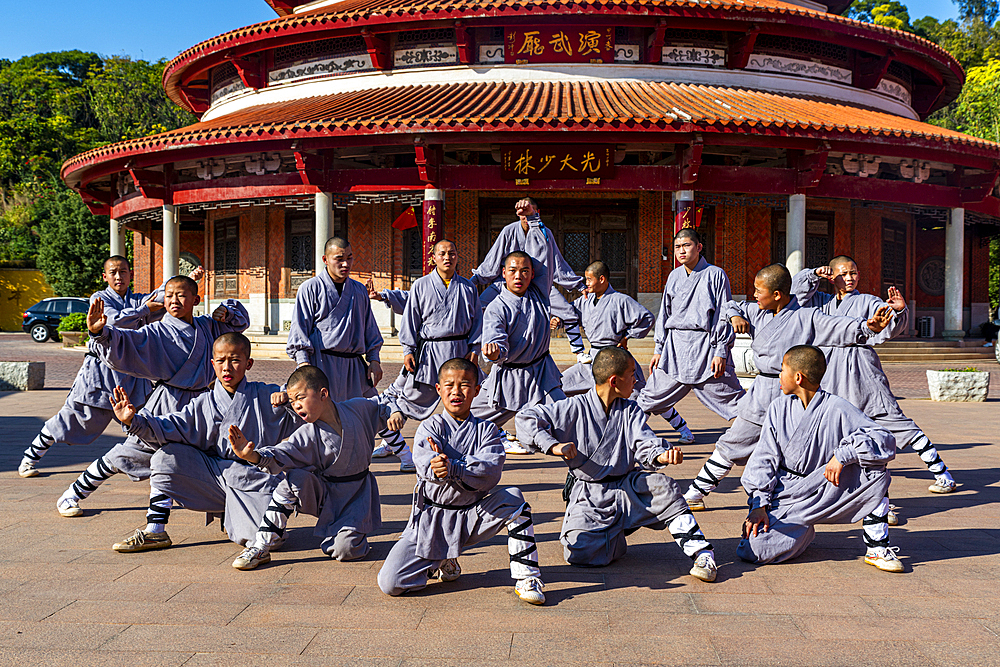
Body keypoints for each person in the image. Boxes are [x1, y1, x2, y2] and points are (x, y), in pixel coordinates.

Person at [681, 264, 895, 511]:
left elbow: (838, 326)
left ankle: (877, 502)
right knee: (733, 442)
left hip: (798, 395)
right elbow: (731, 304)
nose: (754, 295)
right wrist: (735, 316)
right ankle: (696, 492)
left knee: (822, 449)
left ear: (777, 295)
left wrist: (868, 327)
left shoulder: (807, 316)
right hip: (762, 394)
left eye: (759, 291)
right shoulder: (756, 311)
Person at [60, 275, 248, 553]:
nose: (174, 300)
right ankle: (74, 493)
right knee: (129, 455)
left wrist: (228, 312)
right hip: (167, 404)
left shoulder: (209, 326)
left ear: (195, 300)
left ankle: (161, 527)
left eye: (182, 295)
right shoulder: (157, 331)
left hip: (205, 406)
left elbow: (239, 323)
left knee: (193, 461)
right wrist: (101, 334)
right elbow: (129, 341)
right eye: (169, 294)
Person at [516, 347, 718, 582]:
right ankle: (614, 534)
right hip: (589, 494)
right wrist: (552, 445)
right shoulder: (573, 407)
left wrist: (660, 455)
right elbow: (525, 418)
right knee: (579, 554)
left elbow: (644, 441)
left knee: (664, 487)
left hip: (627, 488)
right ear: (614, 380)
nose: (636, 379)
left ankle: (702, 552)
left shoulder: (631, 410)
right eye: (632, 374)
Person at [108, 332, 303, 549]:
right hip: (213, 476)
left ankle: (242, 513)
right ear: (213, 363)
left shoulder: (267, 395)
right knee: (165, 458)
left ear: (249, 363)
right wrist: (134, 421)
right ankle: (155, 530)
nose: (227, 368)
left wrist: (289, 400)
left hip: (253, 478)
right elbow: (171, 425)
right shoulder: (204, 402)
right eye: (220, 361)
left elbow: (305, 409)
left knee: (266, 541)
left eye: (235, 360)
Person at [377, 358, 546, 604]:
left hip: (473, 515)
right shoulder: (429, 427)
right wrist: (437, 465)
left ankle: (527, 576)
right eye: (449, 385)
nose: (456, 391)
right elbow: (425, 463)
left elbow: (491, 470)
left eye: (465, 385)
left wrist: (453, 467)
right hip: (432, 520)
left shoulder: (488, 430)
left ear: (477, 391)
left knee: (514, 500)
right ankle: (442, 557)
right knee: (390, 583)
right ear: (438, 389)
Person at [793, 258, 956, 505]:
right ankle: (870, 499)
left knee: (891, 418)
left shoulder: (867, 301)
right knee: (837, 428)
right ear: (832, 277)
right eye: (843, 274)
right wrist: (813, 274)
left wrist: (899, 311)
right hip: (831, 371)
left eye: (854, 273)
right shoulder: (822, 303)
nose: (850, 278)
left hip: (861, 369)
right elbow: (796, 298)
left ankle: (941, 473)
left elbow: (887, 326)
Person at [17, 256, 192, 478]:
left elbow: (160, 296)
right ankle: (30, 457)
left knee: (144, 422)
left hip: (132, 377)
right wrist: (143, 311)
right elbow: (112, 321)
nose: (119, 276)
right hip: (100, 374)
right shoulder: (99, 298)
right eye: (113, 272)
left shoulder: (138, 300)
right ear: (105, 276)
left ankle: (161, 468)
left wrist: (183, 282)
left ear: (131, 274)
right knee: (70, 418)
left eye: (123, 272)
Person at [738, 345, 904, 572]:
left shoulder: (837, 407)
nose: (779, 375)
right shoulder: (778, 408)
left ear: (798, 377)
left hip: (827, 488)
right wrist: (759, 504)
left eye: (782, 370)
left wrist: (843, 455)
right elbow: (764, 458)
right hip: (787, 492)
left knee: (875, 470)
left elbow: (884, 439)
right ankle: (802, 531)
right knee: (753, 549)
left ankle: (877, 547)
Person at [228, 365, 404, 569]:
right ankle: (261, 545)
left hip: (357, 495)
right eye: (292, 401)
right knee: (293, 479)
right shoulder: (308, 433)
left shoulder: (358, 408)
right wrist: (252, 455)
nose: (296, 406)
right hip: (325, 494)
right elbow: (282, 452)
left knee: (346, 550)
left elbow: (384, 403)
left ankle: (340, 534)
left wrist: (394, 412)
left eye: (301, 398)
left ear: (323, 394)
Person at [372, 240, 482, 472]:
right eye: (442, 253)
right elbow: (411, 320)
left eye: (452, 253)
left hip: (458, 352)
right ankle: (394, 442)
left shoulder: (468, 288)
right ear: (434, 258)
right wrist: (408, 350)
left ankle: (455, 452)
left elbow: (477, 322)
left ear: (457, 257)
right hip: (429, 354)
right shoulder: (421, 285)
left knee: (459, 401)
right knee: (405, 400)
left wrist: (474, 350)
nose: (447, 257)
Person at [636, 229, 745, 445]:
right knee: (647, 398)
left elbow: (723, 314)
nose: (681, 251)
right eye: (677, 247)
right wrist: (659, 349)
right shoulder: (674, 276)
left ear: (698, 247)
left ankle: (765, 434)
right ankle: (628, 437)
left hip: (705, 350)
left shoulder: (715, 274)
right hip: (675, 349)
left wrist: (721, 351)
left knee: (737, 403)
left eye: (686, 245)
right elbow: (665, 314)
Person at [471, 197, 587, 368]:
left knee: (568, 312)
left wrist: (579, 285)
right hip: (505, 284)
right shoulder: (509, 231)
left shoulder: (544, 233)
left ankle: (578, 352)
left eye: (530, 213)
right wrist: (473, 282)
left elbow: (556, 263)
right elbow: (492, 259)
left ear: (536, 214)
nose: (525, 217)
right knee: (478, 306)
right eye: (523, 214)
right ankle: (478, 350)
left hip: (537, 286)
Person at [470, 251, 565, 439]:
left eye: (524, 271)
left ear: (532, 275)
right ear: (503, 273)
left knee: (567, 420)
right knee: (467, 422)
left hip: (542, 376)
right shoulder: (496, 307)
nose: (518, 276)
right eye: (513, 270)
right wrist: (495, 353)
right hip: (508, 379)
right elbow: (495, 337)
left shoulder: (540, 295)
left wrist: (532, 223)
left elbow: (544, 256)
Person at [286, 237, 384, 402]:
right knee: (323, 420)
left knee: (365, 417)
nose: (346, 264)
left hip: (354, 369)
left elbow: (370, 328)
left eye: (349, 258)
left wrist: (374, 359)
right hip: (322, 365)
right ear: (325, 260)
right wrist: (304, 365)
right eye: (339, 259)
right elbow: (299, 330)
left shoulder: (359, 290)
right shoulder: (310, 289)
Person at [558, 260, 654, 400]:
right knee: (560, 386)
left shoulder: (621, 300)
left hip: (615, 355)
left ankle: (671, 421)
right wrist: (559, 320)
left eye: (589, 279)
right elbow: (569, 313)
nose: (587, 283)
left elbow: (647, 318)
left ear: (601, 279)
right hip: (593, 358)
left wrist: (627, 337)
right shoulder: (585, 300)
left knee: (635, 394)